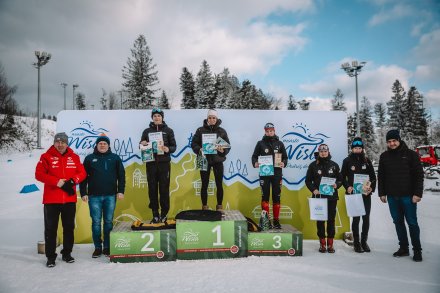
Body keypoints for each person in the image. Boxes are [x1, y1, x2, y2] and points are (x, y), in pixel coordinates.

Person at [35, 132, 86, 267]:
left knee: (69, 228)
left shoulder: (74, 157)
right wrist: (57, 182)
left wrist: (72, 181)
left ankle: (67, 253)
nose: (60, 144)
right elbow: (39, 174)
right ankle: (50, 257)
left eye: (63, 142)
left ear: (66, 143)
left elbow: (82, 173)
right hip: (51, 200)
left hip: (69, 200)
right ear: (54, 143)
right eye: (57, 142)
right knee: (51, 229)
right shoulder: (46, 156)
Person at [378, 129, 424, 262]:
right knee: (398, 222)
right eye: (389, 141)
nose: (392, 143)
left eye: (394, 141)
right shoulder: (384, 156)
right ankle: (404, 248)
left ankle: (417, 250)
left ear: (399, 140)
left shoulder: (411, 155)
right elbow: (381, 176)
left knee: (412, 223)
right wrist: (382, 193)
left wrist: (417, 193)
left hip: (408, 196)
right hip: (392, 197)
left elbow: (419, 175)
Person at [80, 134, 125, 258]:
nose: (102, 145)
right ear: (97, 145)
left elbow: (121, 176)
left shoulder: (115, 158)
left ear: (108, 145)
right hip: (94, 196)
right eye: (100, 143)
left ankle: (107, 247)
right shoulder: (89, 158)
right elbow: (83, 178)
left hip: (110, 196)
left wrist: (120, 191)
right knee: (96, 222)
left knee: (108, 222)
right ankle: (98, 247)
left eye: (105, 143)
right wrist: (83, 193)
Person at [140, 108, 176, 223]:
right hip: (151, 164)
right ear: (152, 117)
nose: (157, 118)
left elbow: (174, 147)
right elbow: (141, 145)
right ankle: (155, 214)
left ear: (162, 117)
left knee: (164, 189)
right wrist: (142, 143)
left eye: (159, 116)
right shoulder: (146, 131)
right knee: (152, 189)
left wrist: (167, 149)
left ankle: (164, 214)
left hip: (164, 164)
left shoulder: (168, 130)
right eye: (154, 116)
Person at [341, 137, 376, 253]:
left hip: (365, 194)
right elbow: (342, 177)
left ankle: (364, 241)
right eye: (355, 148)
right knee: (356, 219)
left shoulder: (367, 160)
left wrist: (371, 188)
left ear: (362, 149)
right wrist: (347, 187)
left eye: (359, 148)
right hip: (354, 195)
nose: (357, 150)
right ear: (352, 149)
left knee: (366, 219)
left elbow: (373, 177)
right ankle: (356, 243)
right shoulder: (347, 161)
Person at [305, 143, 342, 253]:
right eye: (321, 151)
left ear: (328, 152)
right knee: (320, 221)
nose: (323, 153)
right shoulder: (313, 165)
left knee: (331, 220)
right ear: (319, 152)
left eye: (325, 151)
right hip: (319, 198)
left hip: (332, 198)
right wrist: (313, 190)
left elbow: (340, 179)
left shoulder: (334, 165)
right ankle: (322, 244)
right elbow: (307, 181)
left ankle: (330, 244)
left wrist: (337, 185)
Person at [191, 109, 230, 211]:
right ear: (207, 118)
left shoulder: (222, 131)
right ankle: (204, 207)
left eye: (214, 118)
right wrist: (199, 149)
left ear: (217, 119)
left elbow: (227, 147)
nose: (212, 119)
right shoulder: (200, 130)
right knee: (204, 184)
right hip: (204, 159)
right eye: (210, 117)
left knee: (219, 184)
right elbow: (194, 144)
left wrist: (222, 150)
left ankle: (219, 207)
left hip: (218, 161)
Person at [251, 123, 288, 229]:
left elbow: (285, 157)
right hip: (264, 174)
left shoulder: (280, 143)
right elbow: (254, 156)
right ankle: (266, 221)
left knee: (276, 197)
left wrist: (283, 163)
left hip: (277, 174)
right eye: (267, 131)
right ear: (265, 132)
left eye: (271, 131)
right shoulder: (260, 143)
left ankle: (276, 221)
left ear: (274, 131)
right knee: (265, 197)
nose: (269, 132)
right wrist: (255, 163)